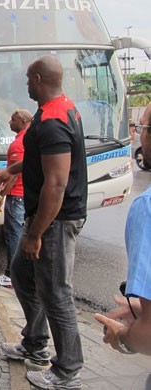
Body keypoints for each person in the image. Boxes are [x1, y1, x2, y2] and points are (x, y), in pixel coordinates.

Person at [0, 55, 88, 389]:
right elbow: (40, 161)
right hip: (45, 217)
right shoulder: (56, 109)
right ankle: (34, 344)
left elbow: (56, 183)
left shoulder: (52, 121)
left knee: (56, 293)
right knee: (22, 273)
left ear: (37, 78)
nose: (25, 84)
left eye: (27, 79)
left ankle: (67, 371)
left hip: (56, 220)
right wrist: (12, 170)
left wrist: (36, 233)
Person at [94, 102, 151, 359]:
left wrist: (123, 335)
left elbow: (148, 334)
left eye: (141, 127)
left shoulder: (147, 207)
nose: (139, 134)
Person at [0, 108, 32, 288]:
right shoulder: (32, 140)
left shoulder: (18, 144)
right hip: (27, 195)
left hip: (17, 197)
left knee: (14, 235)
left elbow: (14, 175)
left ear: (22, 121)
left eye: (12, 120)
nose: (9, 123)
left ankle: (11, 276)